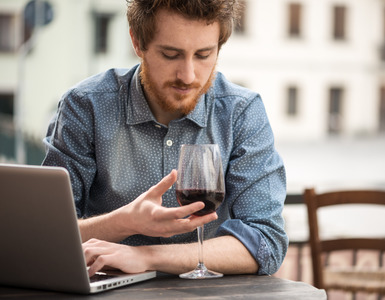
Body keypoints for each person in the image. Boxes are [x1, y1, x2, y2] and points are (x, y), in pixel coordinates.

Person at [42, 0, 288, 277]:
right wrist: (124, 222)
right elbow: (44, 233)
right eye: (171, 55)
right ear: (137, 42)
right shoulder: (85, 106)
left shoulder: (241, 112)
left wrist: (146, 257)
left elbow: (266, 243)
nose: (188, 75)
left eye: (204, 55)